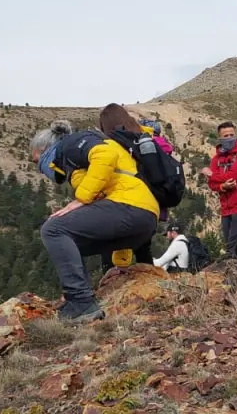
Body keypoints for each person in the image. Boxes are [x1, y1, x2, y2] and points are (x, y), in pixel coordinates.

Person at [30, 120, 159, 322]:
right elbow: (112, 214)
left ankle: (81, 302)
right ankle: (81, 298)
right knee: (70, 244)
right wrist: (122, 264)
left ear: (45, 148)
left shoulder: (70, 144)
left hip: (131, 206)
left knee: (53, 229)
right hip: (143, 217)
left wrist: (81, 199)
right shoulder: (73, 164)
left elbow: (105, 155)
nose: (40, 169)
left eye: (38, 161)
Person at [98, 103, 159, 262]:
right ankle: (149, 280)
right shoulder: (145, 137)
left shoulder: (112, 144)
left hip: (124, 202)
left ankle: (116, 282)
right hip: (151, 202)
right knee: (143, 248)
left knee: (110, 248)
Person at [201, 122, 237, 260]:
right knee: (234, 246)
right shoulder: (216, 160)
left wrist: (211, 175)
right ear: (220, 138)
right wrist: (222, 187)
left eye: (232, 135)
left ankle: (231, 275)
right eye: (226, 136)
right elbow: (212, 185)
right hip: (226, 208)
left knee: (232, 246)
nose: (230, 138)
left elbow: (233, 175)